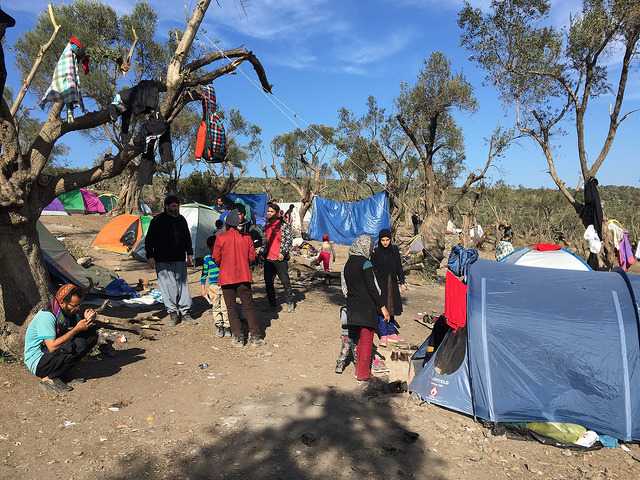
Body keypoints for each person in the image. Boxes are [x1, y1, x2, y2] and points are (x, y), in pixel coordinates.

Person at [23, 284, 98, 392]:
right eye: (75, 306)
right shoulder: (47, 317)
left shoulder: (65, 312)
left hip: (50, 353)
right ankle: (49, 378)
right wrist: (76, 329)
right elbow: (52, 346)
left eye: (79, 305)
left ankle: (62, 372)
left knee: (91, 336)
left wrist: (88, 319)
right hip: (38, 361)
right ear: (62, 303)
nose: (78, 308)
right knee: (80, 344)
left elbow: (82, 327)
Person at [341, 234, 390, 384]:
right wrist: (383, 307)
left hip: (353, 306)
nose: (372, 250)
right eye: (370, 246)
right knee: (367, 340)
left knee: (361, 339)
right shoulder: (366, 263)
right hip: (366, 307)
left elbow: (345, 286)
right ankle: (363, 375)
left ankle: (359, 371)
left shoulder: (348, 262)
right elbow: (372, 289)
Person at [213, 209, 266, 348]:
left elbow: (216, 258)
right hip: (244, 276)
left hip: (226, 277)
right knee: (249, 307)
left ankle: (238, 337)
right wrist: (243, 262)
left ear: (227, 223)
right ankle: (255, 337)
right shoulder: (247, 238)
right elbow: (252, 257)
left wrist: (224, 266)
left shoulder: (220, 238)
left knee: (231, 308)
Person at [145, 195, 196, 327]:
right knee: (168, 288)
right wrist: (150, 256)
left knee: (183, 286)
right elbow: (149, 240)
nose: (176, 209)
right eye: (173, 206)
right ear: (166, 206)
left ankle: (185, 313)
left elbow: (187, 237)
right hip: (162, 260)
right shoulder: (157, 220)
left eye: (177, 206)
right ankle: (173, 313)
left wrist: (189, 252)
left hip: (179, 258)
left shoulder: (181, 220)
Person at [371, 228, 407, 346]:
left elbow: (398, 266)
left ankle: (391, 332)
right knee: (382, 308)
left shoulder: (394, 250)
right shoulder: (376, 252)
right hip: (381, 283)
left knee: (392, 307)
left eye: (387, 240)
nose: (385, 242)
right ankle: (383, 334)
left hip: (393, 283)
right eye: (383, 240)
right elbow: (373, 270)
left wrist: (402, 282)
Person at [260, 203, 294, 313]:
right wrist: (261, 254)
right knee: (268, 282)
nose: (268, 213)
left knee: (285, 281)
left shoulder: (283, 225)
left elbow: (289, 240)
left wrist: (283, 253)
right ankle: (272, 305)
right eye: (268, 211)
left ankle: (289, 302)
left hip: (280, 259)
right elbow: (264, 242)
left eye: (271, 212)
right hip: (269, 259)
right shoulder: (265, 226)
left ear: (277, 213)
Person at [202, 235, 230, 339]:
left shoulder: (225, 256)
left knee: (225, 306)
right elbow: (204, 274)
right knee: (216, 306)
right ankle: (219, 325)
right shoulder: (207, 259)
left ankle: (227, 326)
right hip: (213, 286)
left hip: (224, 284)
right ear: (209, 248)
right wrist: (202, 288)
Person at [335, 306, 358, 374]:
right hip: (352, 331)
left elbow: (343, 322)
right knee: (355, 349)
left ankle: (340, 364)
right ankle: (357, 364)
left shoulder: (344, 309)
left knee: (345, 348)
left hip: (347, 331)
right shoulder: (346, 309)